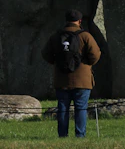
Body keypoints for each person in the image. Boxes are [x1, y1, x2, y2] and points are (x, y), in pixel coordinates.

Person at [42, 9, 101, 138]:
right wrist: (86, 63)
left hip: (62, 78)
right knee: (81, 108)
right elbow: (95, 54)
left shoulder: (56, 36)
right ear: (79, 21)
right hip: (82, 79)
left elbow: (45, 54)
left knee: (63, 107)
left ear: (66, 21)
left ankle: (62, 135)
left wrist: (57, 62)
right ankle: (80, 135)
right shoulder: (85, 36)